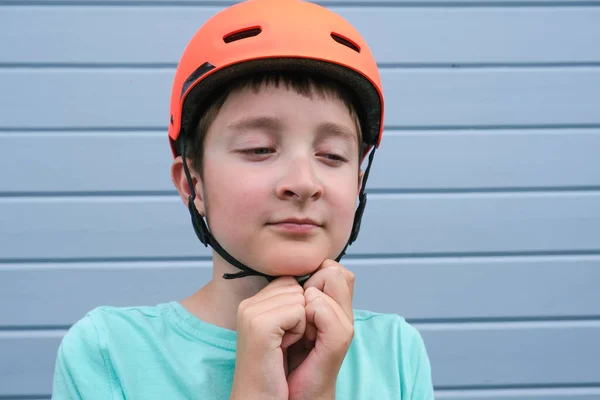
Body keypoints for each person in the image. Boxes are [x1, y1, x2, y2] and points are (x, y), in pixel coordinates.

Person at [51, 0, 434, 398]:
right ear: (192, 185)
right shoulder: (109, 352)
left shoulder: (396, 352)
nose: (303, 183)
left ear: (358, 185)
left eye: (332, 155)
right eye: (259, 149)